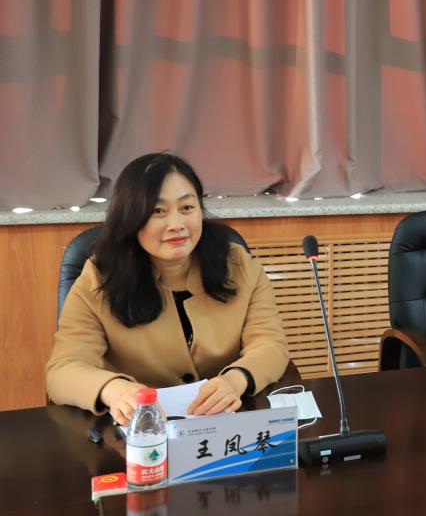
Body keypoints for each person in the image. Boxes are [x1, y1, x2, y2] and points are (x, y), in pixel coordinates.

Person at [46, 153, 290, 425]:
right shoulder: (99, 277)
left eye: (187, 207)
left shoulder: (237, 264)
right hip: (139, 430)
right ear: (130, 218)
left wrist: (236, 380)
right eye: (158, 211)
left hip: (222, 423)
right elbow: (63, 370)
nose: (177, 225)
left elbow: (271, 345)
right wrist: (115, 390)